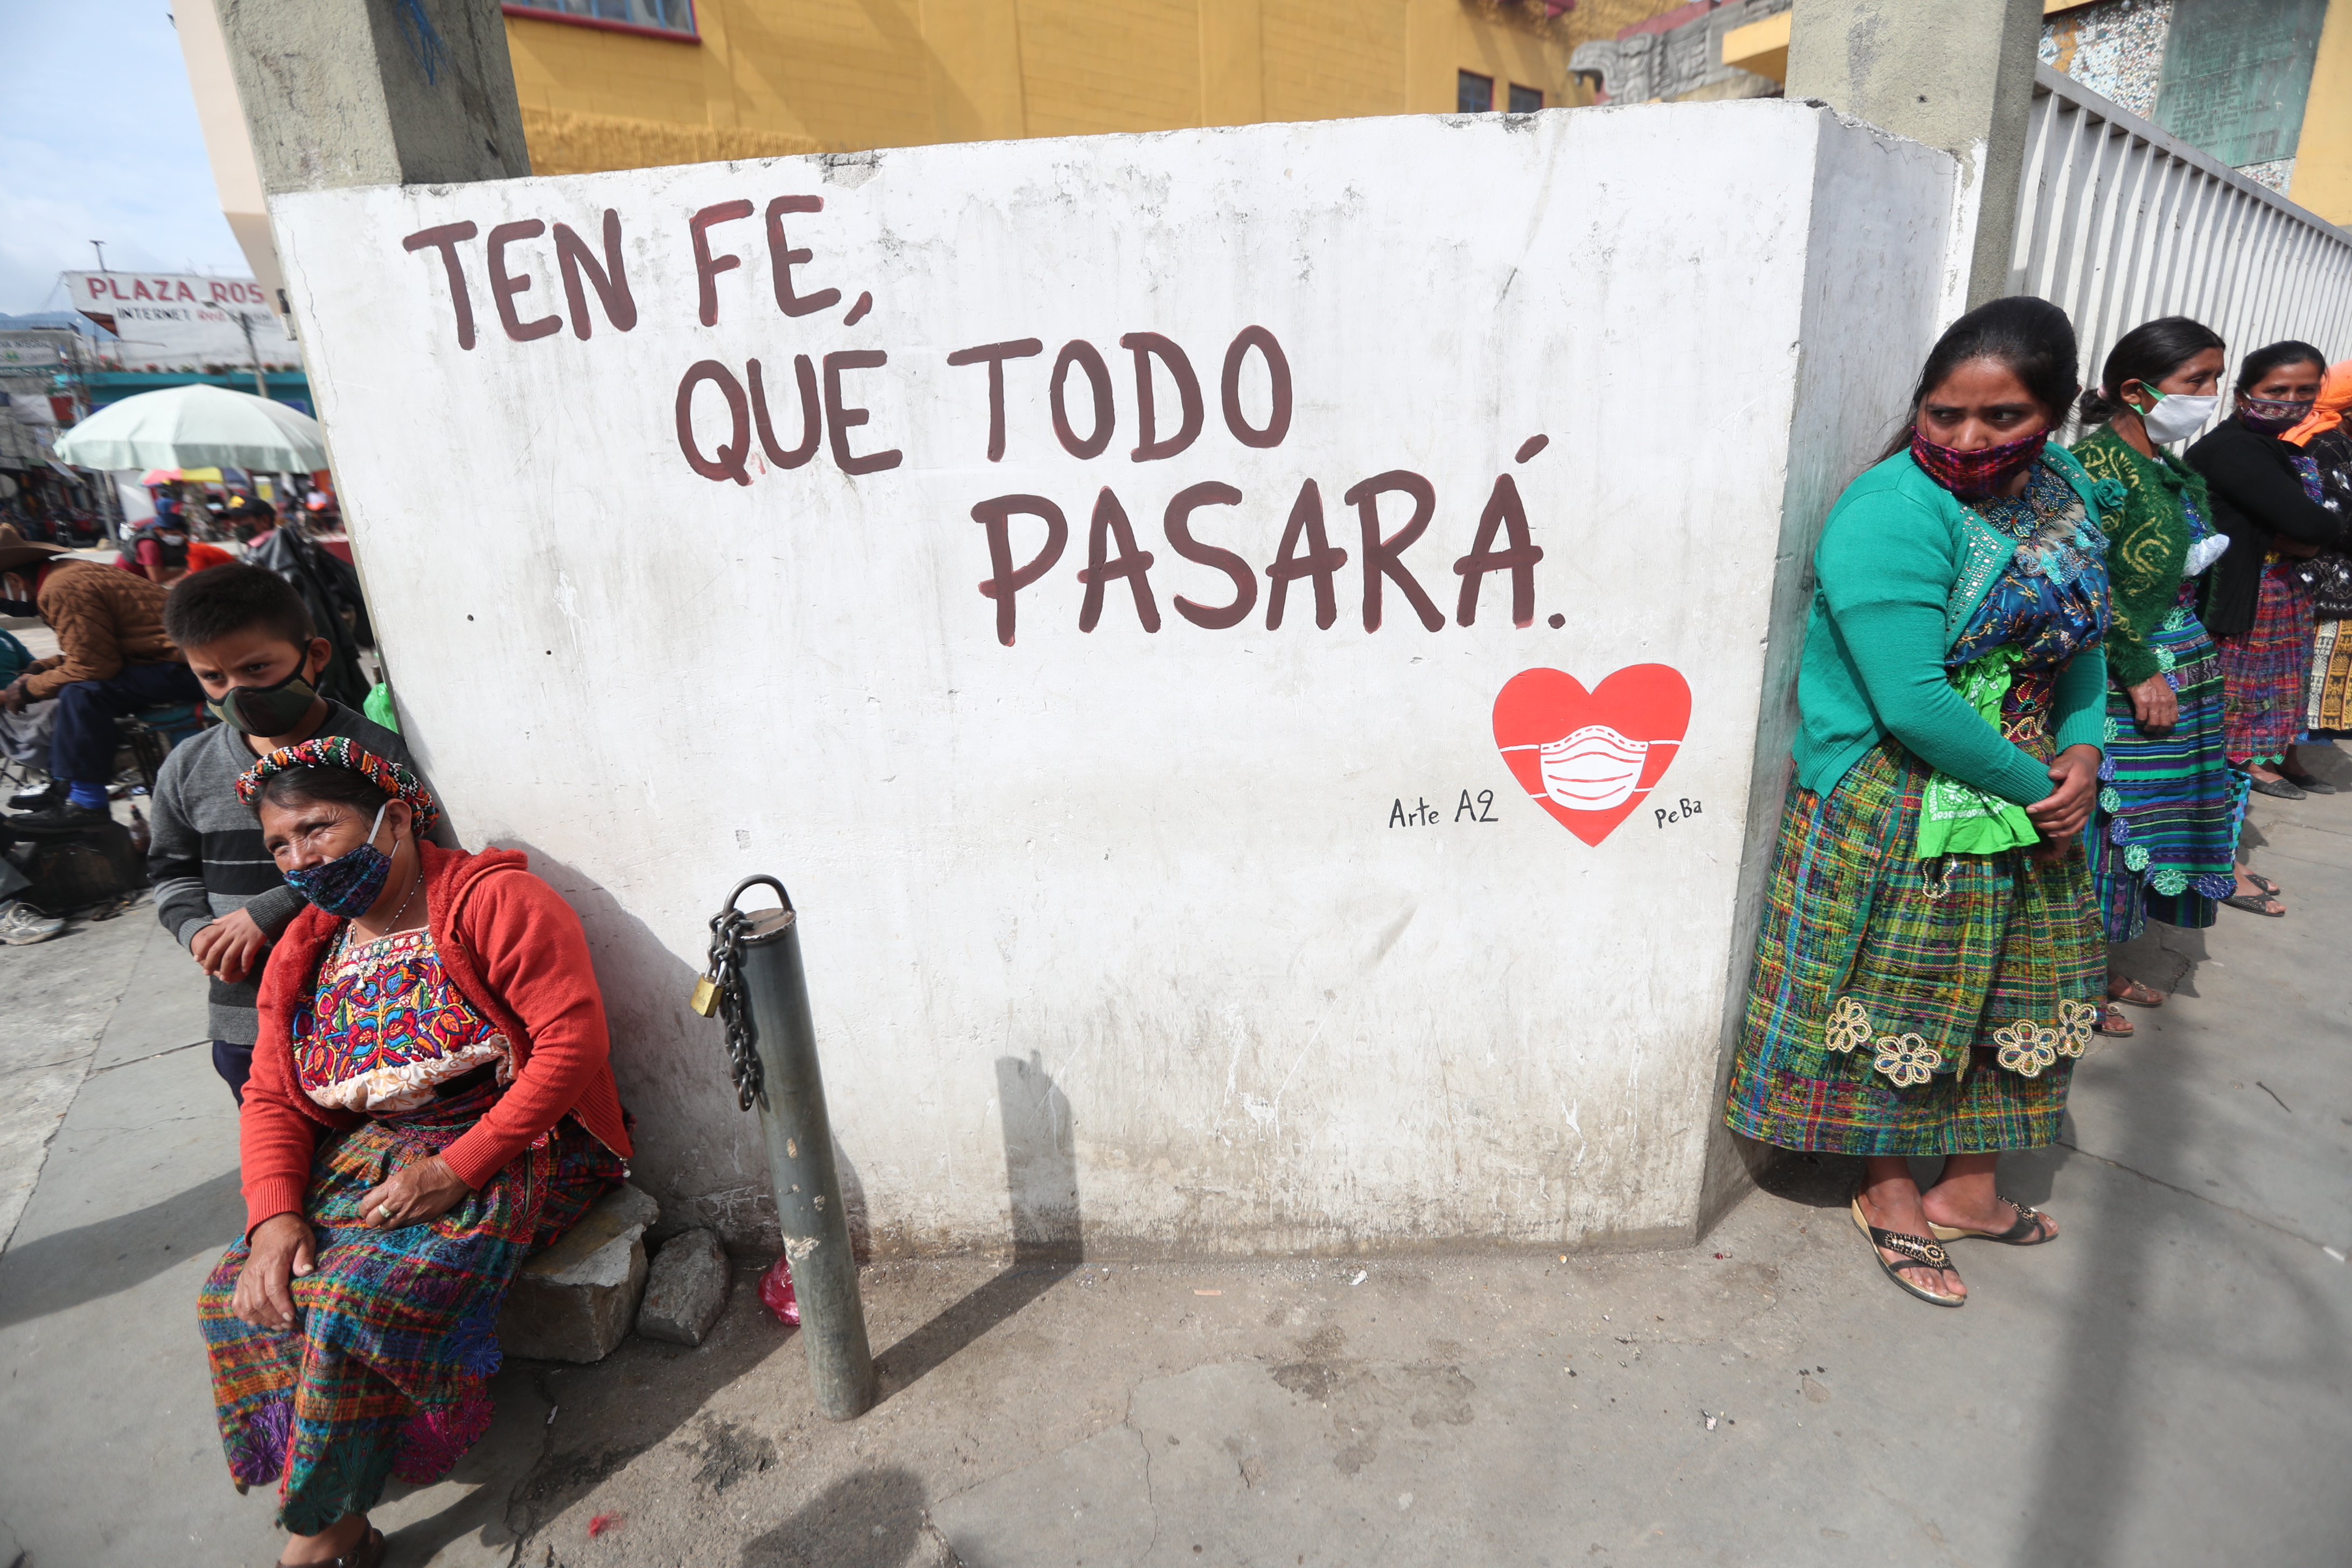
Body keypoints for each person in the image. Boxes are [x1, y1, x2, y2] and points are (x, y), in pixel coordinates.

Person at [1724, 296, 2113, 1308]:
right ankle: (1889, 1189)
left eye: (1999, 419)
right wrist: (2044, 790)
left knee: (2019, 993)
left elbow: (2084, 632)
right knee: (1904, 998)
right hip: (1904, 798)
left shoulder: (2062, 495)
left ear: (2053, 415)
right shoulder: (1889, 511)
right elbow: (1911, 701)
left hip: (2031, 787)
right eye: (1942, 415)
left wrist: (2083, 744)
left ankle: (1970, 1190)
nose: (1965, 439)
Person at [198, 740, 631, 1568]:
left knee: (353, 1296)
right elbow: (272, 1096)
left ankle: (322, 1533)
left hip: (520, 1139)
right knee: (240, 1292)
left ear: (394, 818)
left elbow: (571, 1044)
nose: (300, 859)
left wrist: (457, 1168)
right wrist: (275, 1218)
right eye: (280, 846)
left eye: (318, 828)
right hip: (378, 1148)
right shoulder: (305, 949)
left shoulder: (493, 900)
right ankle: (337, 1469)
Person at [151, 564, 449, 1103]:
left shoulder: (372, 755)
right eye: (213, 677)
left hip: (364, 1008)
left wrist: (267, 911)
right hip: (244, 1014)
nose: (235, 692)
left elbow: (407, 862)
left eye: (257, 667)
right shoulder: (187, 767)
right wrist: (196, 930)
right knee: (275, 1144)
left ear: (314, 656)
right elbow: (169, 869)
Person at [2069, 318, 2245, 1020]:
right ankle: (2069, 985)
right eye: (2196, 381)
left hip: (2182, 679)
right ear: (2138, 392)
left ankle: (2096, 969)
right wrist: (2139, 669)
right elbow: (2083, 583)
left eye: (2214, 380)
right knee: (2109, 837)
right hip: (2126, 688)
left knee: (2137, 838)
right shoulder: (2100, 469)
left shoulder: (2163, 467)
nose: (2209, 395)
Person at [2187, 342, 2342, 805]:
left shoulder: (2274, 447)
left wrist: (2307, 534)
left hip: (2278, 584)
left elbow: (2313, 530)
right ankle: (2243, 763)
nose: (2291, 401)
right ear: (2243, 395)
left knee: (2281, 684)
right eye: (2277, 390)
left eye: (2305, 391)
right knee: (2245, 687)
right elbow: (2317, 523)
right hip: (2246, 588)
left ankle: (2276, 757)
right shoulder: (2236, 449)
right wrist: (2310, 532)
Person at [0, 530, 205, 828]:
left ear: (14, 581)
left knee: (83, 693)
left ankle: (86, 802)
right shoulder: (67, 574)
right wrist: (40, 669)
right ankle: (67, 786)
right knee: (73, 689)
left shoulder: (60, 588)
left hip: (191, 666)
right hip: (173, 659)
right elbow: (95, 647)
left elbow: (93, 667)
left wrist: (28, 690)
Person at [2286, 362, 2352, 736]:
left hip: (2320, 581)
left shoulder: (2321, 438)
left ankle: (2291, 757)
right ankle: (2283, 758)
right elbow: (2337, 517)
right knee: (2306, 678)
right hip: (2324, 584)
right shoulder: (2327, 444)